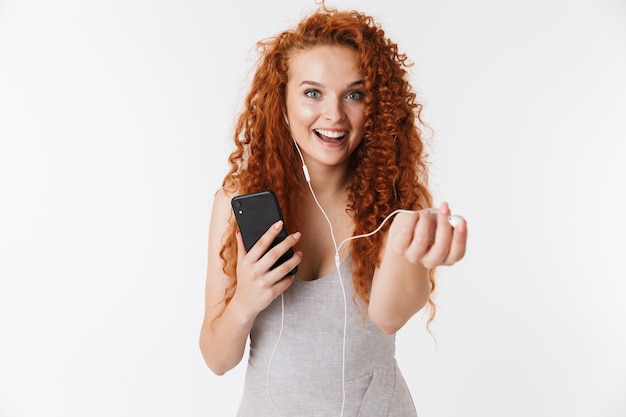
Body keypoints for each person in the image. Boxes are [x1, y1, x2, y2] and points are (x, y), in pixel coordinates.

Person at [199, 2, 467, 416]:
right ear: (281, 102)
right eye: (312, 93)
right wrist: (246, 300)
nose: (334, 114)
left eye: (354, 95)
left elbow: (389, 317)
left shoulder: (396, 201)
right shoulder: (238, 200)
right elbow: (217, 359)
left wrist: (412, 257)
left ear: (374, 107)